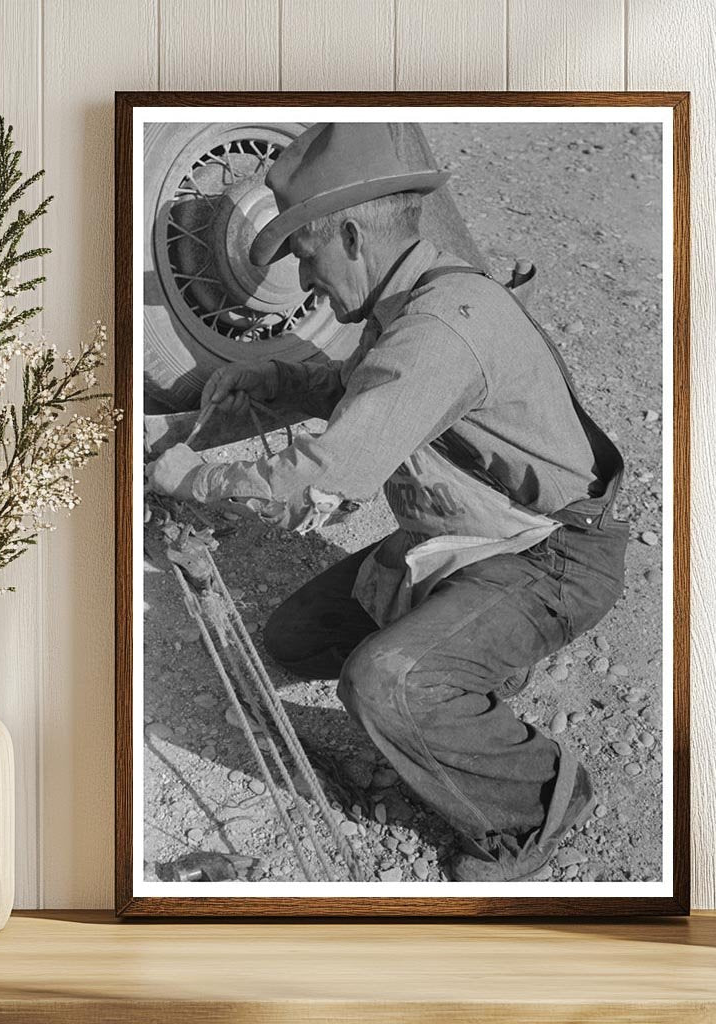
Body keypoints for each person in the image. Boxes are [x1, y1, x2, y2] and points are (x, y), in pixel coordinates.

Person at [147, 122, 629, 882]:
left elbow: (327, 473)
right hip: (479, 539)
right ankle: (466, 668)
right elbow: (351, 393)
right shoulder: (409, 301)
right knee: (298, 640)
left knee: (384, 682)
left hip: (552, 559)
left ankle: (539, 806)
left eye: (305, 255)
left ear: (347, 234)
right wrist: (266, 391)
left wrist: (187, 480)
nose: (305, 281)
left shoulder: (438, 329)